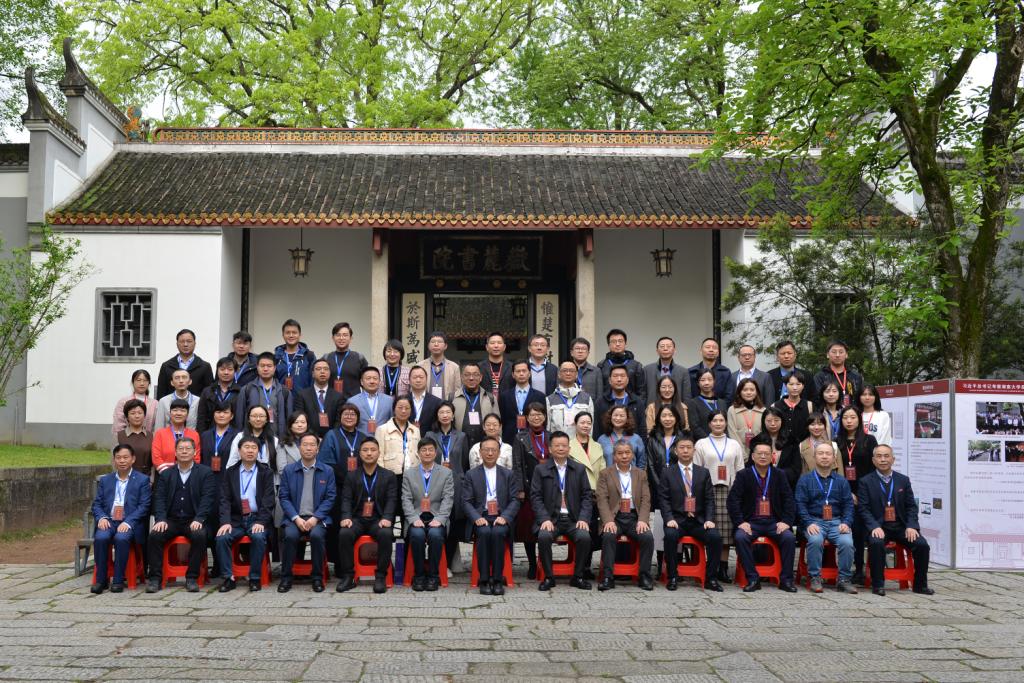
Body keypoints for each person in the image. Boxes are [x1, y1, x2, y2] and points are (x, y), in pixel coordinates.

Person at [859, 444, 934, 596]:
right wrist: (874, 526)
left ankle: (920, 585)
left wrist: (912, 526)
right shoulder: (865, 481)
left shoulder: (903, 480)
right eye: (879, 456)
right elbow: (863, 509)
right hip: (879, 526)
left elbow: (911, 506)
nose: (883, 459)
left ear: (893, 459)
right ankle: (878, 585)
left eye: (886, 456)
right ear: (873, 460)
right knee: (876, 543)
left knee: (922, 545)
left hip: (901, 527)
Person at [727, 437, 798, 593]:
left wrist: (786, 521)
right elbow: (733, 501)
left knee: (789, 537)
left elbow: (789, 500)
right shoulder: (743, 475)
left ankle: (786, 580)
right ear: (753, 456)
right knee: (740, 537)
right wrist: (740, 522)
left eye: (767, 453)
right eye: (759, 453)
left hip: (774, 522)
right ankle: (753, 578)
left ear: (772, 456)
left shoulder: (779, 475)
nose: (763, 456)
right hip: (751, 522)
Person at [145, 437, 216, 593]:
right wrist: (160, 519)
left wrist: (199, 518)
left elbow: (208, 498)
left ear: (195, 452)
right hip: (171, 520)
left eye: (188, 449)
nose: (184, 452)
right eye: (181, 449)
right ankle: (155, 578)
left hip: (193, 519)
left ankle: (192, 577)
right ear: (175, 452)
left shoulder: (205, 473)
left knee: (199, 535)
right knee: (155, 535)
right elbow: (159, 498)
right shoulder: (166, 474)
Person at [659, 435, 724, 591]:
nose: (685, 451)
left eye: (689, 447)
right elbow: (664, 499)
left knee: (715, 538)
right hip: (677, 520)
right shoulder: (667, 472)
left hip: (698, 521)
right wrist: (668, 518)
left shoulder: (703, 473)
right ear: (676, 451)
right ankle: (672, 576)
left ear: (694, 450)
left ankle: (711, 578)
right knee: (670, 536)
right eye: (682, 447)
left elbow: (709, 499)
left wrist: (709, 519)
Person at [530, 431, 593, 590]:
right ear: (550, 449)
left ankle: (578, 576)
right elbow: (535, 497)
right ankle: (549, 577)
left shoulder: (579, 469)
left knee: (584, 537)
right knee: (544, 536)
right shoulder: (540, 469)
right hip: (551, 519)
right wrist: (544, 519)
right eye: (557, 445)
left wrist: (583, 518)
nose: (560, 448)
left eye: (564, 445)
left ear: (569, 448)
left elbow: (587, 496)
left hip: (573, 519)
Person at [336, 437, 397, 594]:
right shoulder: (352, 475)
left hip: (378, 519)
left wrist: (387, 518)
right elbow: (346, 499)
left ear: (379, 453)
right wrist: (346, 516)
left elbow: (392, 499)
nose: (369, 453)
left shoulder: (389, 476)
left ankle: (381, 576)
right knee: (344, 533)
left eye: (373, 450)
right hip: (357, 519)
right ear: (360, 453)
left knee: (385, 533)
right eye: (365, 450)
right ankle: (348, 576)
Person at [214, 436, 275, 592]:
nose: (250, 451)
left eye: (254, 448)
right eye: (246, 447)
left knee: (258, 537)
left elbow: (268, 501)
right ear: (239, 451)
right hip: (236, 520)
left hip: (256, 518)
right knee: (222, 538)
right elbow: (224, 500)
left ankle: (254, 578)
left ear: (258, 451)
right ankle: (228, 578)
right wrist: (225, 522)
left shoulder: (266, 472)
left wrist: (261, 522)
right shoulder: (230, 472)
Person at [795, 441, 858, 593]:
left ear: (834, 458)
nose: (824, 457)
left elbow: (848, 505)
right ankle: (815, 577)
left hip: (837, 522)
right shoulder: (805, 480)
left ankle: (844, 579)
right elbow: (800, 505)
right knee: (816, 540)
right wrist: (808, 523)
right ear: (814, 457)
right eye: (821, 453)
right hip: (814, 521)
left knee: (847, 542)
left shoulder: (841, 481)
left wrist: (846, 522)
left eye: (828, 454)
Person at [278, 433, 336, 593]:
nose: (309, 448)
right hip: (295, 518)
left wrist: (315, 518)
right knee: (290, 536)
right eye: (305, 445)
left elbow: (330, 498)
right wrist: (296, 518)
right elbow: (284, 497)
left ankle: (317, 577)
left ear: (317, 449)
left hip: (318, 519)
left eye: (312, 445)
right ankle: (286, 577)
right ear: (299, 448)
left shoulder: (327, 471)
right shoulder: (289, 470)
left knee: (317, 536)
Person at [90, 444, 152, 594]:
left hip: (130, 522)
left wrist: (128, 522)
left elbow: (144, 506)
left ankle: (118, 580)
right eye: (118, 458)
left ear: (133, 459)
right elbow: (96, 504)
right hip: (109, 520)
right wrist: (102, 517)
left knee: (121, 538)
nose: (122, 461)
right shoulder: (106, 480)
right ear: (114, 460)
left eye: (125, 457)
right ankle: (101, 580)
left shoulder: (142, 480)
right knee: (101, 537)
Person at [463, 436, 521, 595]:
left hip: (501, 516)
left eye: (493, 450)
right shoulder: (471, 474)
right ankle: (483, 579)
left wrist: (506, 517)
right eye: (486, 450)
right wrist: (476, 518)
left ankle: (497, 579)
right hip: (481, 515)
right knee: (483, 532)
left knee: (497, 533)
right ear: (480, 452)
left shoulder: (508, 474)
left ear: (499, 452)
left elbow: (515, 500)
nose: (490, 453)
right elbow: (466, 501)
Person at [595, 441, 655, 591]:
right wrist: (608, 521)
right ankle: (608, 577)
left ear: (632, 455)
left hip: (634, 517)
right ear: (614, 456)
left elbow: (646, 499)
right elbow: (601, 499)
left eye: (627, 452)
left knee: (647, 537)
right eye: (620, 453)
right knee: (608, 535)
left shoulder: (640, 474)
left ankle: (644, 575)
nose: (624, 456)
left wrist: (643, 520)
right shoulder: (605, 473)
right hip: (615, 517)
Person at [693, 411, 744, 584]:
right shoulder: (701, 443)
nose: (718, 423)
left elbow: (739, 468)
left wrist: (738, 491)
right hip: (708, 490)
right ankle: (710, 565)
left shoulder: (734, 444)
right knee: (709, 529)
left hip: (729, 490)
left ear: (725, 423)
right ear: (709, 423)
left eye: (721, 420)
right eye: (714, 420)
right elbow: (697, 468)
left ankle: (723, 567)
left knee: (726, 532)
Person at [402, 438, 455, 591]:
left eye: (430, 450)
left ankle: (433, 575)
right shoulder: (409, 474)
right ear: (418, 453)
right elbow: (406, 499)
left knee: (435, 535)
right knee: (417, 535)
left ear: (435, 452)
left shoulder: (446, 473)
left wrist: (440, 519)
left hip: (437, 516)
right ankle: (418, 576)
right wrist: (413, 519)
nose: (427, 453)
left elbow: (448, 498)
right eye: (423, 450)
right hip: (416, 516)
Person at [423, 401, 470, 572]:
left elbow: (464, 462)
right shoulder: (429, 435)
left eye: (448, 412)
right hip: (435, 483)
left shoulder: (461, 436)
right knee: (437, 521)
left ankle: (448, 563)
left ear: (453, 415)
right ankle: (434, 561)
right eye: (441, 412)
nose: (445, 415)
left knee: (453, 524)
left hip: (456, 483)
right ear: (437, 415)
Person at [835, 405, 878, 583]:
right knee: (845, 529)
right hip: (843, 492)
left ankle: (859, 568)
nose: (849, 421)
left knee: (859, 530)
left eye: (853, 417)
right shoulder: (836, 442)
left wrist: (860, 494)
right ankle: (842, 567)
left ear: (859, 420)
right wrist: (848, 493)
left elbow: (873, 469)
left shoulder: (869, 440)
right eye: (845, 418)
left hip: (864, 493)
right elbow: (835, 469)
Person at [512, 402, 552, 578]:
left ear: (545, 416)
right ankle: (531, 563)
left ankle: (545, 560)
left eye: (540, 414)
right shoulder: (520, 438)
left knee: (546, 525)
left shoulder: (551, 436)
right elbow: (517, 465)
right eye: (533, 415)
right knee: (529, 528)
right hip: (529, 488)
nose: (536, 417)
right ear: (527, 418)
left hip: (549, 487)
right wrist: (520, 489)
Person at [644, 404, 685, 576]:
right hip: (658, 488)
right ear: (659, 418)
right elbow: (650, 464)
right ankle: (661, 563)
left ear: (676, 418)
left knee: (677, 523)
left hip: (679, 488)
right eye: (664, 416)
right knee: (660, 526)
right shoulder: (653, 438)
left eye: (671, 415)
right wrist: (660, 485)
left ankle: (676, 564)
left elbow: (685, 462)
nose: (667, 419)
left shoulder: (683, 437)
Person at [569, 411, 604, 573]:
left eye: (589, 423)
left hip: (594, 494)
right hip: (576, 495)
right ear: (575, 424)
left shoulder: (597, 446)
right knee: (581, 528)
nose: (586, 426)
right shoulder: (569, 446)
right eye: (582, 422)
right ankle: (579, 565)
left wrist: (600, 491)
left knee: (592, 528)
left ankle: (587, 565)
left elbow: (602, 470)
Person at [235, 351, 293, 438]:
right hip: (252, 440)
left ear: (274, 368)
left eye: (269, 366)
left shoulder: (284, 391)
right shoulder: (247, 389)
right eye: (262, 366)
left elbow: (289, 419)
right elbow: (240, 418)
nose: (265, 369)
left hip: (277, 439)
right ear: (257, 367)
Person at [498, 359, 546, 446]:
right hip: (509, 439)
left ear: (529, 373)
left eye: (524, 371)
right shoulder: (504, 396)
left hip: (533, 439)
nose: (521, 374)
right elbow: (502, 420)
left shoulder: (540, 396)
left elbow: (543, 421)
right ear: (513, 375)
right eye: (518, 371)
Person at [156, 328, 214, 399]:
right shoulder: (166, 366)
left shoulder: (204, 366)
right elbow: (161, 393)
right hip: (172, 405)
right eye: (182, 341)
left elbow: (209, 394)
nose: (185, 344)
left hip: (197, 405)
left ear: (195, 344)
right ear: (177, 344)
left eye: (189, 341)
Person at [294, 358, 343, 439]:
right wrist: (312, 438)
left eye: (326, 369)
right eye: (318, 369)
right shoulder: (302, 395)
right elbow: (300, 419)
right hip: (308, 439)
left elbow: (339, 421)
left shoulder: (338, 396)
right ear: (313, 373)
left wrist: (330, 438)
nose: (322, 371)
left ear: (330, 373)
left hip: (331, 439)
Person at [546, 360, 596, 438]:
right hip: (558, 443)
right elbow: (548, 428)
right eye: (565, 370)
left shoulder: (586, 399)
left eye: (571, 371)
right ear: (559, 374)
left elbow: (590, 426)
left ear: (576, 375)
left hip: (579, 443)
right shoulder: (550, 399)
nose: (568, 373)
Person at [453, 364, 499, 446]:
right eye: (467, 375)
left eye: (475, 374)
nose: (471, 378)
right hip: (459, 445)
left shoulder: (490, 398)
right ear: (462, 377)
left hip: (485, 446)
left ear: (480, 377)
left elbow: (497, 424)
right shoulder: (453, 398)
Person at [595, 366, 647, 438]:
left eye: (622, 376)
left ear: (627, 380)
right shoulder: (601, 402)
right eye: (615, 376)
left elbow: (642, 429)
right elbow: (597, 429)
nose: (619, 379)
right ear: (609, 380)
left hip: (632, 444)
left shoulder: (637, 402)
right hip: (607, 443)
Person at [226, 405, 279, 475]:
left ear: (267, 419)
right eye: (254, 416)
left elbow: (277, 467)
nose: (258, 419)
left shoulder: (274, 440)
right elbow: (232, 463)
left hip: (268, 479)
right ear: (248, 419)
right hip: (243, 478)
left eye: (261, 416)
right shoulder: (240, 437)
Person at [151, 399, 201, 473]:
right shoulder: (160, 434)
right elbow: (156, 458)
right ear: (170, 413)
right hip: (165, 476)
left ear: (187, 414)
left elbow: (196, 458)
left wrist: (185, 474)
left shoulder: (194, 435)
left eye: (183, 410)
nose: (178, 413)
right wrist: (169, 475)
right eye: (175, 410)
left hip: (189, 476)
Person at [322, 322, 369, 402]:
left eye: (345, 335)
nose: (341, 338)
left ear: (351, 338)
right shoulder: (326, 358)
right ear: (333, 338)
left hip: (353, 404)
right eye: (338, 335)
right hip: (331, 404)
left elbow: (366, 384)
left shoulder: (359, 358)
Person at [196, 357, 243, 434]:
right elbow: (201, 416)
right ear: (217, 371)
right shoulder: (207, 391)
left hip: (234, 434)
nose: (226, 372)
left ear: (235, 371)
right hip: (210, 433)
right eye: (222, 369)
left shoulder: (241, 391)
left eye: (230, 369)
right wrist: (202, 435)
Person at [597, 328, 645, 400]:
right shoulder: (601, 366)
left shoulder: (636, 366)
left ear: (625, 343)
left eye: (620, 341)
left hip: (630, 405)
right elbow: (599, 392)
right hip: (607, 404)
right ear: (609, 345)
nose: (617, 344)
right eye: (614, 342)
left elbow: (641, 392)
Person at [317, 403, 367, 471]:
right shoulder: (331, 435)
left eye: (352, 414)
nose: (349, 417)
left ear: (357, 418)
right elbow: (325, 460)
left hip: (359, 476)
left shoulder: (363, 437)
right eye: (346, 414)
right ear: (340, 417)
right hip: (336, 476)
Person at [643, 336, 692, 405]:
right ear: (657, 351)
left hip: (676, 410)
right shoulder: (647, 370)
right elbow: (643, 395)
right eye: (662, 346)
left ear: (674, 350)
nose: (665, 349)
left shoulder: (683, 371)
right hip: (652, 409)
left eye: (669, 346)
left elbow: (687, 397)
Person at [761, 407, 801, 490]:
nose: (773, 424)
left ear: (782, 421)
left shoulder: (792, 441)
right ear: (763, 422)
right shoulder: (757, 441)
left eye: (776, 420)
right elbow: (751, 467)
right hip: (762, 485)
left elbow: (796, 469)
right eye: (769, 421)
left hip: (786, 485)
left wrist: (777, 475)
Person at [813, 341, 863, 407]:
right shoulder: (820, 377)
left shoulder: (855, 376)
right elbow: (817, 399)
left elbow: (860, 399)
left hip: (851, 412)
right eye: (834, 352)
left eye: (841, 352)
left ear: (846, 355)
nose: (837, 355)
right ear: (827, 355)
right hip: (829, 412)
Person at [771, 369, 813, 445]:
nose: (795, 388)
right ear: (785, 385)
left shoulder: (809, 405)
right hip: (781, 446)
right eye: (791, 384)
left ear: (803, 386)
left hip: (804, 447)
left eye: (798, 384)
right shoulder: (775, 406)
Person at [686, 369, 730, 441]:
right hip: (703, 443)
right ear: (698, 383)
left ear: (714, 381)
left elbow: (726, 425)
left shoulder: (722, 403)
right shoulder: (693, 403)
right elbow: (695, 427)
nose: (706, 383)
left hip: (722, 442)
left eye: (710, 379)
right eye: (702, 380)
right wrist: (709, 441)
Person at [597, 405, 646, 469]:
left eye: (621, 416)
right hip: (609, 475)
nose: (618, 418)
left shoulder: (636, 439)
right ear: (610, 417)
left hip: (631, 475)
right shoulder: (602, 439)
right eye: (615, 415)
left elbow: (641, 463)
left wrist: (637, 475)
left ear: (627, 418)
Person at [111, 369, 157, 437]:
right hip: (126, 439)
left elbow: (157, 425)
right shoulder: (123, 402)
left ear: (149, 383)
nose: (142, 383)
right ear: (133, 382)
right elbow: (118, 424)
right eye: (138, 380)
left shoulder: (155, 404)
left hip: (148, 440)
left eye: (145, 380)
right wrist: (124, 438)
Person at [727, 378, 766, 458]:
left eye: (752, 390)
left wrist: (757, 454)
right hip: (738, 455)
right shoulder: (732, 410)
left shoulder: (763, 410)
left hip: (759, 456)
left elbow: (765, 435)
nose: (749, 392)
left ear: (757, 392)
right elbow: (732, 434)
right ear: (739, 392)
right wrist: (743, 455)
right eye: (745, 390)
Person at [416, 331, 461, 400]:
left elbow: (458, 391)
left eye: (439, 342)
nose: (436, 344)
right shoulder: (420, 366)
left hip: (447, 405)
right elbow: (414, 389)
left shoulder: (454, 367)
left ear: (445, 346)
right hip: (425, 405)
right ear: (428, 346)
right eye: (433, 342)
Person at [349, 367, 394, 434]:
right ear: (361, 382)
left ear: (379, 381)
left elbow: (392, 422)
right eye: (368, 378)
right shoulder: (352, 401)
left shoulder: (389, 400)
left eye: (375, 378)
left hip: (383, 438)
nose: (372, 381)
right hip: (361, 438)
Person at [275, 319, 317, 391]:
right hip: (281, 397)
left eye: (294, 332)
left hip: (303, 398)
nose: (291, 335)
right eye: (288, 333)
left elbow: (314, 381)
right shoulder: (276, 357)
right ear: (283, 335)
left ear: (300, 335)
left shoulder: (309, 356)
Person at [115, 399, 153, 476]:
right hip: (125, 477)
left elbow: (154, 461)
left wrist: (151, 479)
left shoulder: (151, 436)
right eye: (133, 413)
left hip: (146, 478)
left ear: (144, 415)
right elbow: (114, 461)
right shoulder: (119, 436)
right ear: (127, 416)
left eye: (140, 413)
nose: (137, 416)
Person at [477, 331, 513, 399]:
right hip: (485, 403)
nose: (496, 346)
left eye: (499, 343)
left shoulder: (512, 367)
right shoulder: (479, 367)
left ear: (504, 347)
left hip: (507, 403)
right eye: (492, 343)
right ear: (487, 347)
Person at [408, 365, 443, 432]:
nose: (418, 380)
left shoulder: (436, 402)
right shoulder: (403, 400)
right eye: (415, 377)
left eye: (421, 377)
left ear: (426, 379)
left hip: (428, 437)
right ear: (409, 380)